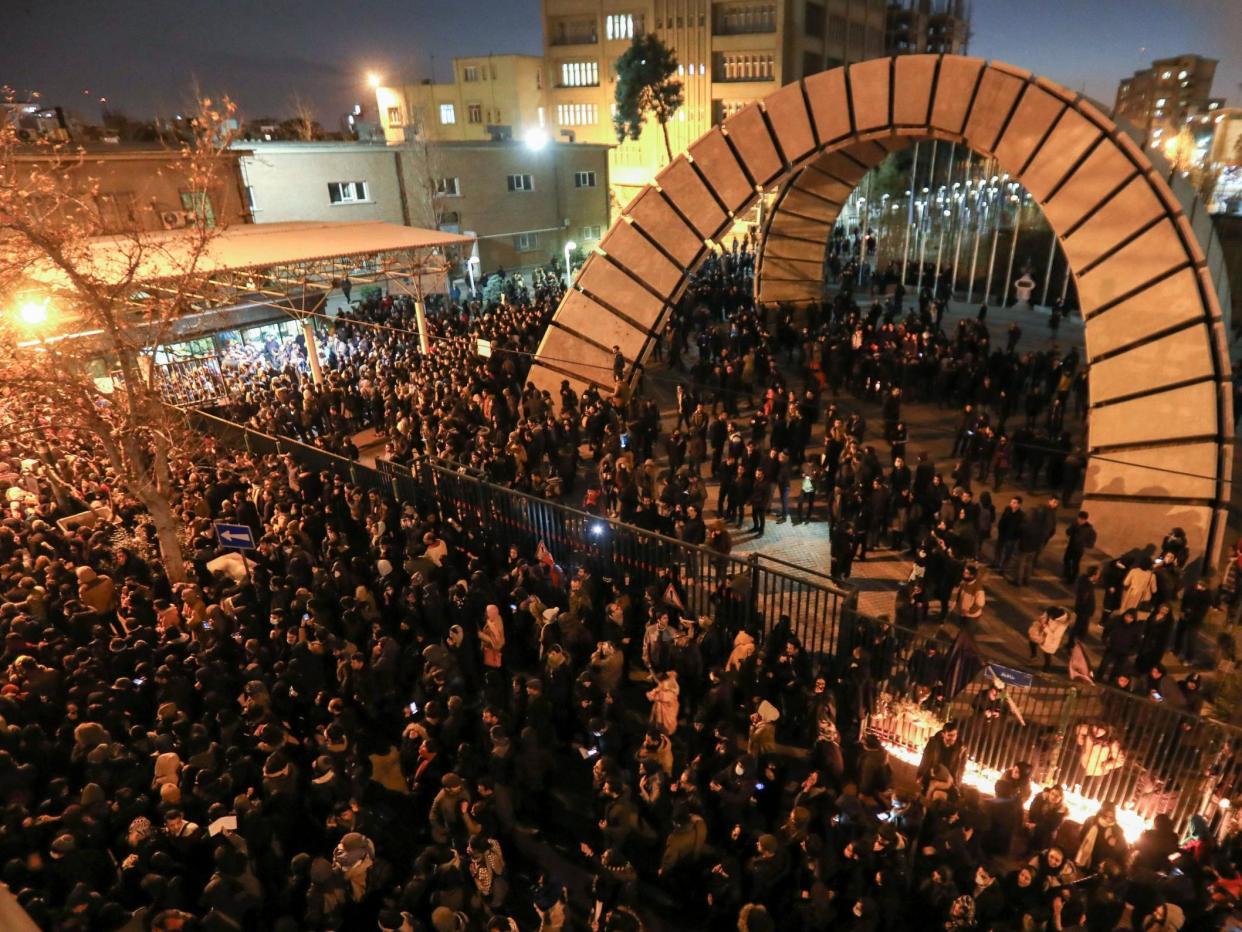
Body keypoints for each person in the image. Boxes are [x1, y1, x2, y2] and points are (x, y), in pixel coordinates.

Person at [1062, 511, 1096, 584]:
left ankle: (1072, 579)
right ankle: (1067, 574)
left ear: (1085, 520)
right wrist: (1071, 529)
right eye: (1079, 518)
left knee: (1075, 564)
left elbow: (1092, 539)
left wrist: (1086, 545)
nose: (1079, 520)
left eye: (1081, 519)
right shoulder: (1075, 524)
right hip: (1071, 546)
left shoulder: (1089, 529)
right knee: (1066, 560)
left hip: (1079, 549)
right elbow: (1068, 532)